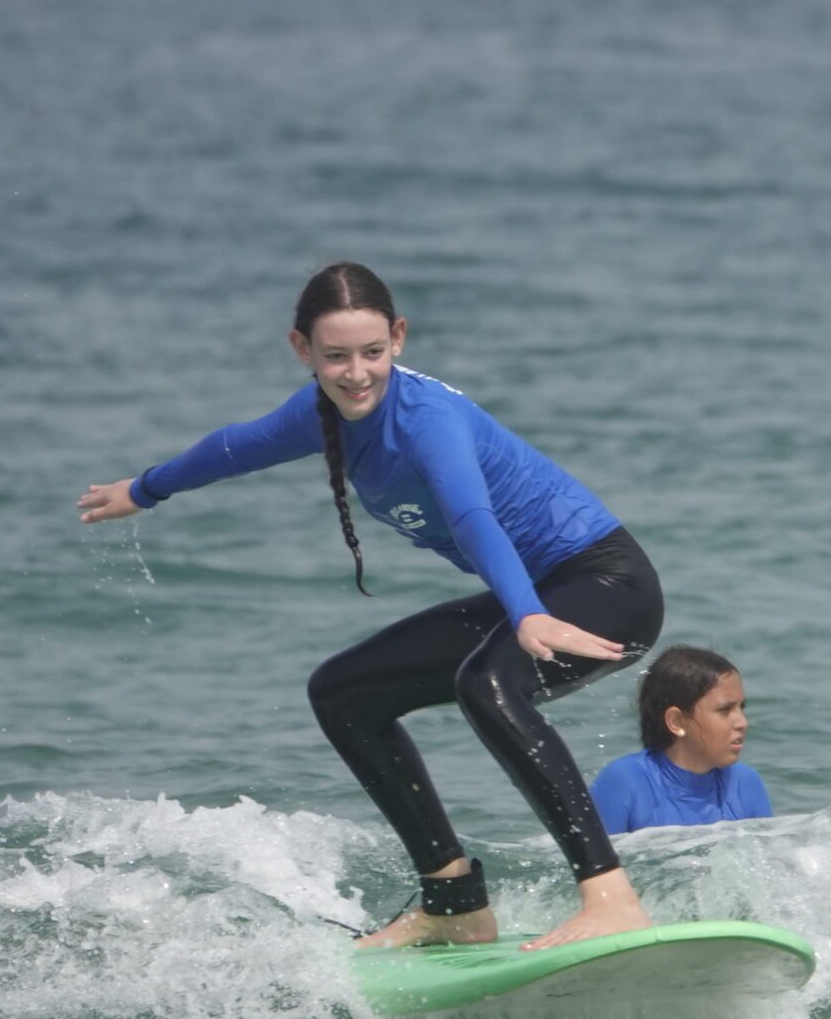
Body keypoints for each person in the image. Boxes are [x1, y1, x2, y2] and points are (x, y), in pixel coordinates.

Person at [77, 262, 662, 951]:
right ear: (303, 351)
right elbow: (236, 447)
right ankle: (454, 902)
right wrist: (145, 490)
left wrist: (528, 612)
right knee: (343, 692)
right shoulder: (322, 413)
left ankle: (610, 896)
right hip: (531, 594)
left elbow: (474, 517)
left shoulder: (427, 420)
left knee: (487, 684)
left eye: (372, 353)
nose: (356, 373)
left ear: (399, 339)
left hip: (604, 587)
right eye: (335, 357)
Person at [590, 646, 773, 835]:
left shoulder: (745, 783)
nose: (742, 722)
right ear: (676, 721)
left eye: (741, 708)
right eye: (725, 710)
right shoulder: (624, 783)